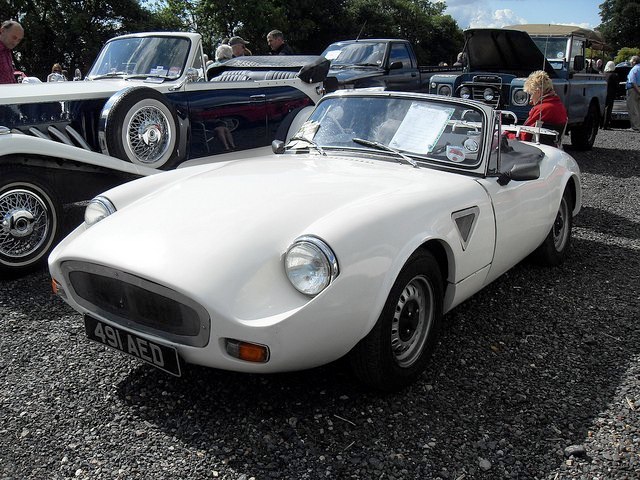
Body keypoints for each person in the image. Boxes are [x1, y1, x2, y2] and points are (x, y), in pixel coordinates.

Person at [513, 70, 568, 142]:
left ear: (538, 92)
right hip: (551, 145)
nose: (530, 99)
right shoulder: (559, 105)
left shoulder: (542, 109)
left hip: (533, 146)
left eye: (531, 94)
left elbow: (525, 136)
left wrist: (506, 135)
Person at [0, 20, 24, 84]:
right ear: (2, 30)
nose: (15, 43)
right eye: (14, 37)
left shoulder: (7, 50)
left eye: (19, 40)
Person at [602, 60, 618, 129]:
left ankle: (601, 124)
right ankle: (606, 124)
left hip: (603, 93)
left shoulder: (603, 74)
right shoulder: (614, 75)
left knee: (603, 108)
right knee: (608, 109)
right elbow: (616, 85)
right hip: (611, 93)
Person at [626, 56, 640, 132]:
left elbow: (633, 82)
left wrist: (638, 91)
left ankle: (635, 127)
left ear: (634, 61)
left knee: (633, 108)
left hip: (634, 90)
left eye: (631, 60)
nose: (630, 62)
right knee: (638, 109)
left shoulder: (634, 69)